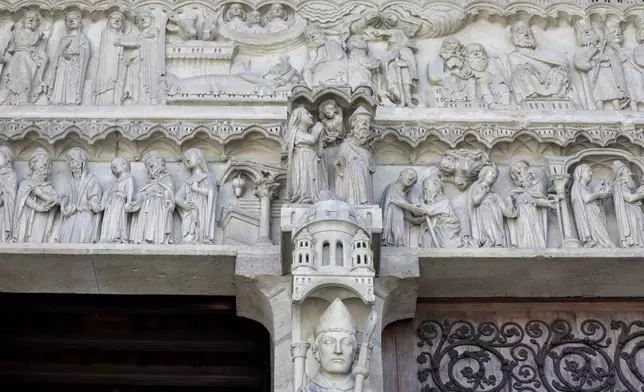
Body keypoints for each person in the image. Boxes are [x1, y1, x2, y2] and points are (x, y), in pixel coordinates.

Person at [127, 151, 175, 244]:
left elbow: (169, 191)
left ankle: (156, 238)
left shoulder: (167, 179)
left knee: (156, 217)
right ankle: (144, 238)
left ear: (160, 163)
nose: (150, 167)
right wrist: (137, 202)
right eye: (148, 166)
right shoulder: (147, 183)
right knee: (145, 219)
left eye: (152, 164)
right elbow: (140, 194)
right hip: (146, 207)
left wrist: (168, 199)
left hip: (159, 206)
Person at [13, 149, 59, 243]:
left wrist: (41, 194)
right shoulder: (25, 184)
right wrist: (38, 207)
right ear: (33, 164)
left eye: (47, 163)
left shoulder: (48, 188)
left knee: (38, 239)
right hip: (26, 219)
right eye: (42, 160)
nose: (45, 165)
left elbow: (56, 201)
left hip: (41, 221)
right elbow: (25, 198)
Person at [283, 106, 328, 203]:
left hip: (312, 163)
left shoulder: (309, 134)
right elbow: (311, 140)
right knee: (304, 181)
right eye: (307, 113)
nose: (311, 115)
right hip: (301, 161)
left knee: (312, 182)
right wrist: (316, 133)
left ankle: (313, 197)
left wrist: (319, 137)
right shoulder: (294, 132)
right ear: (298, 117)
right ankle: (303, 197)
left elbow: (319, 153)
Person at [175, 148, 218, 244]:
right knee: (188, 237)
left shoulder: (208, 177)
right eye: (185, 158)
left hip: (202, 209)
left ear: (199, 158)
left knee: (198, 231)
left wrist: (197, 190)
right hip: (189, 211)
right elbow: (178, 197)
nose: (187, 159)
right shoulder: (187, 181)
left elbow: (211, 193)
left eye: (190, 156)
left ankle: (201, 238)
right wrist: (184, 203)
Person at [334, 107, 375, 205]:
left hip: (365, 182)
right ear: (353, 125)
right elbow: (340, 162)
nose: (365, 124)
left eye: (367, 122)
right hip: (352, 184)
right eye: (361, 121)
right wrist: (340, 162)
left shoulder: (367, 150)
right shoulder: (346, 145)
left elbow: (371, 167)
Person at [48, 10, 90, 105]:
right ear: (66, 24)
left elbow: (86, 53)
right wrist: (63, 52)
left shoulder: (83, 38)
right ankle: (58, 100)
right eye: (68, 20)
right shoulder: (64, 38)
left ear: (80, 23)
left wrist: (75, 53)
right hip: (63, 65)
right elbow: (57, 55)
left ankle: (72, 101)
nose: (71, 20)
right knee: (61, 82)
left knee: (72, 83)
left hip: (75, 64)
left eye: (74, 18)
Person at [570, 164, 614, 248]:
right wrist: (599, 194)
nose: (590, 174)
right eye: (588, 171)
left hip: (593, 214)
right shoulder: (578, 186)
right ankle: (596, 243)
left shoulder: (587, 188)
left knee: (600, 233)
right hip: (588, 216)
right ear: (580, 173)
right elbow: (587, 198)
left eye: (591, 172)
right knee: (598, 234)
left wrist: (599, 190)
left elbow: (591, 199)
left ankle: (600, 243)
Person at [99, 157, 134, 244]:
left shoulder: (129, 178)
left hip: (119, 202)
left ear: (124, 165)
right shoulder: (115, 183)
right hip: (111, 204)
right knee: (110, 219)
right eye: (113, 166)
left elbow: (130, 190)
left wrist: (129, 202)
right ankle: (108, 236)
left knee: (117, 219)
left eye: (117, 164)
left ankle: (117, 236)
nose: (115, 167)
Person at [380, 168, 418, 247]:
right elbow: (395, 199)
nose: (411, 178)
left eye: (413, 179)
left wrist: (416, 219)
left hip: (399, 220)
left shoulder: (406, 195)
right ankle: (392, 240)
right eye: (410, 174)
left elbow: (407, 215)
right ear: (401, 175)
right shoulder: (393, 186)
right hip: (391, 217)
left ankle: (397, 242)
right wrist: (412, 207)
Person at [0, 146, 17, 242]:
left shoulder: (11, 175)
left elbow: (10, 196)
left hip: (4, 214)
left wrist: (2, 198)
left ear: (7, 158)